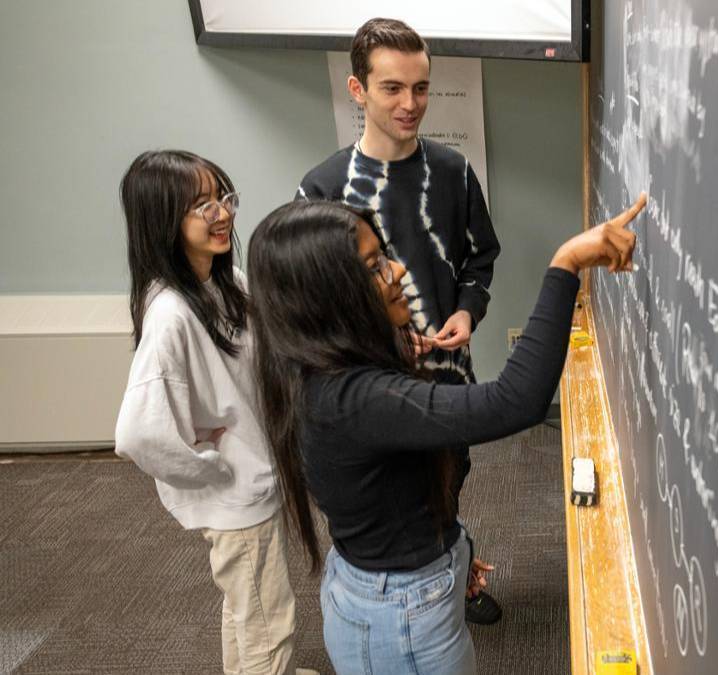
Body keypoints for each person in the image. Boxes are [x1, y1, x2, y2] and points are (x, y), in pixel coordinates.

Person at [246, 193, 645, 674]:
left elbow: (391, 491)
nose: (397, 271)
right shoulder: (355, 399)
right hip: (398, 613)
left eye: (384, 256)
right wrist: (567, 263)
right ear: (327, 297)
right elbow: (514, 401)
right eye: (374, 267)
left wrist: (447, 550)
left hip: (403, 584)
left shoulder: (316, 368)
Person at [295, 17, 505, 624]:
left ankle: (456, 570)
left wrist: (467, 310)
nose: (410, 103)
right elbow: (312, 301)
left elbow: (480, 257)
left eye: (420, 87)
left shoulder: (453, 172)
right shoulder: (323, 189)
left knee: (449, 480)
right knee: (393, 502)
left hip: (447, 380)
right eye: (392, 88)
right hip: (371, 395)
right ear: (357, 90)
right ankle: (408, 604)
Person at [113, 150, 315, 675]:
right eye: (201, 205)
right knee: (269, 623)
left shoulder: (228, 283)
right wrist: (209, 469)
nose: (222, 213)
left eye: (223, 197)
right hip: (236, 494)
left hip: (251, 479)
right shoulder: (170, 314)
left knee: (248, 607)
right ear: (163, 220)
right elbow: (137, 434)